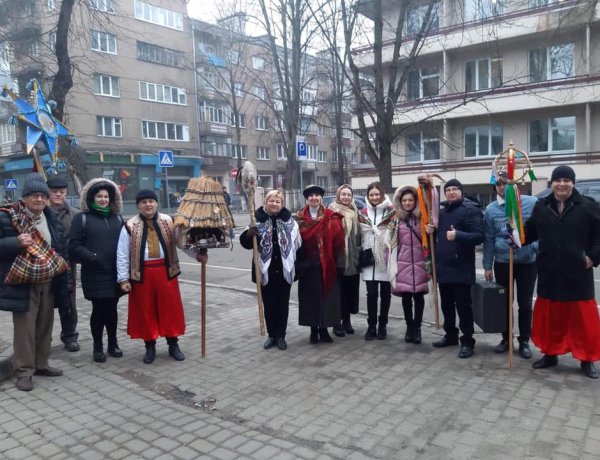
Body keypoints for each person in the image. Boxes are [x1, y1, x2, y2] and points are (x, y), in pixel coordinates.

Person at [525, 165, 600, 379]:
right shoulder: (541, 207)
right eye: (558, 180)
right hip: (550, 272)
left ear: (573, 183)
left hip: (577, 273)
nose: (562, 184)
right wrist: (511, 234)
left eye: (566, 180)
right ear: (552, 183)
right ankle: (550, 354)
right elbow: (529, 233)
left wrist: (592, 258)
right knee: (552, 319)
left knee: (582, 321)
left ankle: (587, 358)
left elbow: (598, 237)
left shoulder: (587, 206)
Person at [1, 173, 69, 391]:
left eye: (42, 195)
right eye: (34, 196)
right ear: (24, 198)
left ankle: (41, 364)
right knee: (25, 329)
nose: (39, 199)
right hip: (23, 282)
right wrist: (15, 242)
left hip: (48, 280)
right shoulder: (8, 217)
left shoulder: (51, 217)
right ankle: (23, 371)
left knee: (45, 325)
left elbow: (58, 247)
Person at [117, 190, 186, 364]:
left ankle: (173, 344)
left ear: (156, 203)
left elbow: (182, 242)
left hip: (166, 272)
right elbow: (122, 254)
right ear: (138, 205)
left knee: (170, 309)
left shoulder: (168, 221)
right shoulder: (129, 225)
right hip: (141, 275)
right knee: (146, 310)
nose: (148, 205)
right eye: (144, 202)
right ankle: (150, 346)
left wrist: (198, 253)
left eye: (151, 201)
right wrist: (123, 279)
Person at [69, 178, 124, 363]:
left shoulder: (117, 218)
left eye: (106, 196)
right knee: (99, 310)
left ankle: (113, 343)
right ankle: (98, 346)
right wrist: (92, 256)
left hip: (115, 273)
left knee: (113, 310)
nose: (103, 200)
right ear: (91, 198)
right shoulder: (82, 218)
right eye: (99, 196)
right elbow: (74, 246)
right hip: (94, 273)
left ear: (111, 198)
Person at [426, 179, 484, 358]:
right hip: (443, 266)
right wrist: (431, 231)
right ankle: (450, 335)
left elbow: (479, 236)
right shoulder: (441, 213)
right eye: (448, 190)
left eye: (455, 189)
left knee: (463, 306)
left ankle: (467, 341)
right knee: (446, 305)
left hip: (461, 267)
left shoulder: (471, 210)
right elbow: (437, 236)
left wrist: (458, 235)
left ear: (461, 191)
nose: (451, 192)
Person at [483, 174, 537, 359]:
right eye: (498, 184)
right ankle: (506, 338)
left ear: (514, 184)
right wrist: (487, 265)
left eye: (506, 183)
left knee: (525, 303)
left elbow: (540, 231)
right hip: (503, 262)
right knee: (505, 303)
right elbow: (489, 238)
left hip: (527, 262)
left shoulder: (532, 203)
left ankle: (524, 341)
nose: (502, 187)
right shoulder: (491, 210)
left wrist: (534, 249)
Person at [240, 190, 301, 350]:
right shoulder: (257, 220)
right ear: (266, 202)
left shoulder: (290, 221)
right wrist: (249, 234)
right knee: (269, 304)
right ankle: (271, 335)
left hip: (284, 270)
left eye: (278, 201)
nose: (274, 204)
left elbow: (297, 245)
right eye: (271, 201)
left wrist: (298, 268)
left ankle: (281, 336)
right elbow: (246, 244)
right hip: (264, 270)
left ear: (282, 204)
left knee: (282, 305)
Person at [295, 184, 345, 344]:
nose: (314, 198)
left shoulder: (331, 217)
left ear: (321, 198)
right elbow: (294, 243)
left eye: (317, 195)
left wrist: (339, 262)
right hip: (308, 265)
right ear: (307, 199)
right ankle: (313, 330)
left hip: (327, 264)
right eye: (311, 196)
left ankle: (324, 330)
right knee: (310, 299)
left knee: (327, 298)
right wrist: (301, 263)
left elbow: (339, 240)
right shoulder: (299, 219)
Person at [387, 185, 429, 344]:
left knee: (418, 297)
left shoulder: (423, 218)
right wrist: (389, 261)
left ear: (415, 201)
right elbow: (390, 243)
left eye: (410, 200)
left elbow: (430, 238)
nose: (407, 202)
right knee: (406, 298)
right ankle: (409, 326)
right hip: (402, 263)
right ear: (400, 202)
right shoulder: (396, 219)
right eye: (404, 200)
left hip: (419, 263)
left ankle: (417, 328)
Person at [47, 175, 80, 352]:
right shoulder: (41, 212)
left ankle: (69, 336)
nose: (58, 195)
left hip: (68, 267)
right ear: (48, 193)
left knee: (68, 305)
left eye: (61, 191)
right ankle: (45, 339)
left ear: (66, 193)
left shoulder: (75, 214)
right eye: (54, 192)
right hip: (44, 267)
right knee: (45, 306)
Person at [358, 182, 395, 340]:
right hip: (369, 257)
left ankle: (383, 325)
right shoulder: (363, 212)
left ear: (382, 194)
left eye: (376, 194)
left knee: (385, 294)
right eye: (371, 195)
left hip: (385, 256)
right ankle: (371, 325)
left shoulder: (390, 211)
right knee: (371, 294)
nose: (374, 197)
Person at [328, 185, 361, 337]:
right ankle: (336, 323)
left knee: (349, 292)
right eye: (344, 194)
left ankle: (347, 321)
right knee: (337, 293)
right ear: (338, 196)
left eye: (349, 195)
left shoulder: (355, 211)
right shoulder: (332, 211)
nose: (346, 197)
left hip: (353, 258)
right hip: (338, 258)